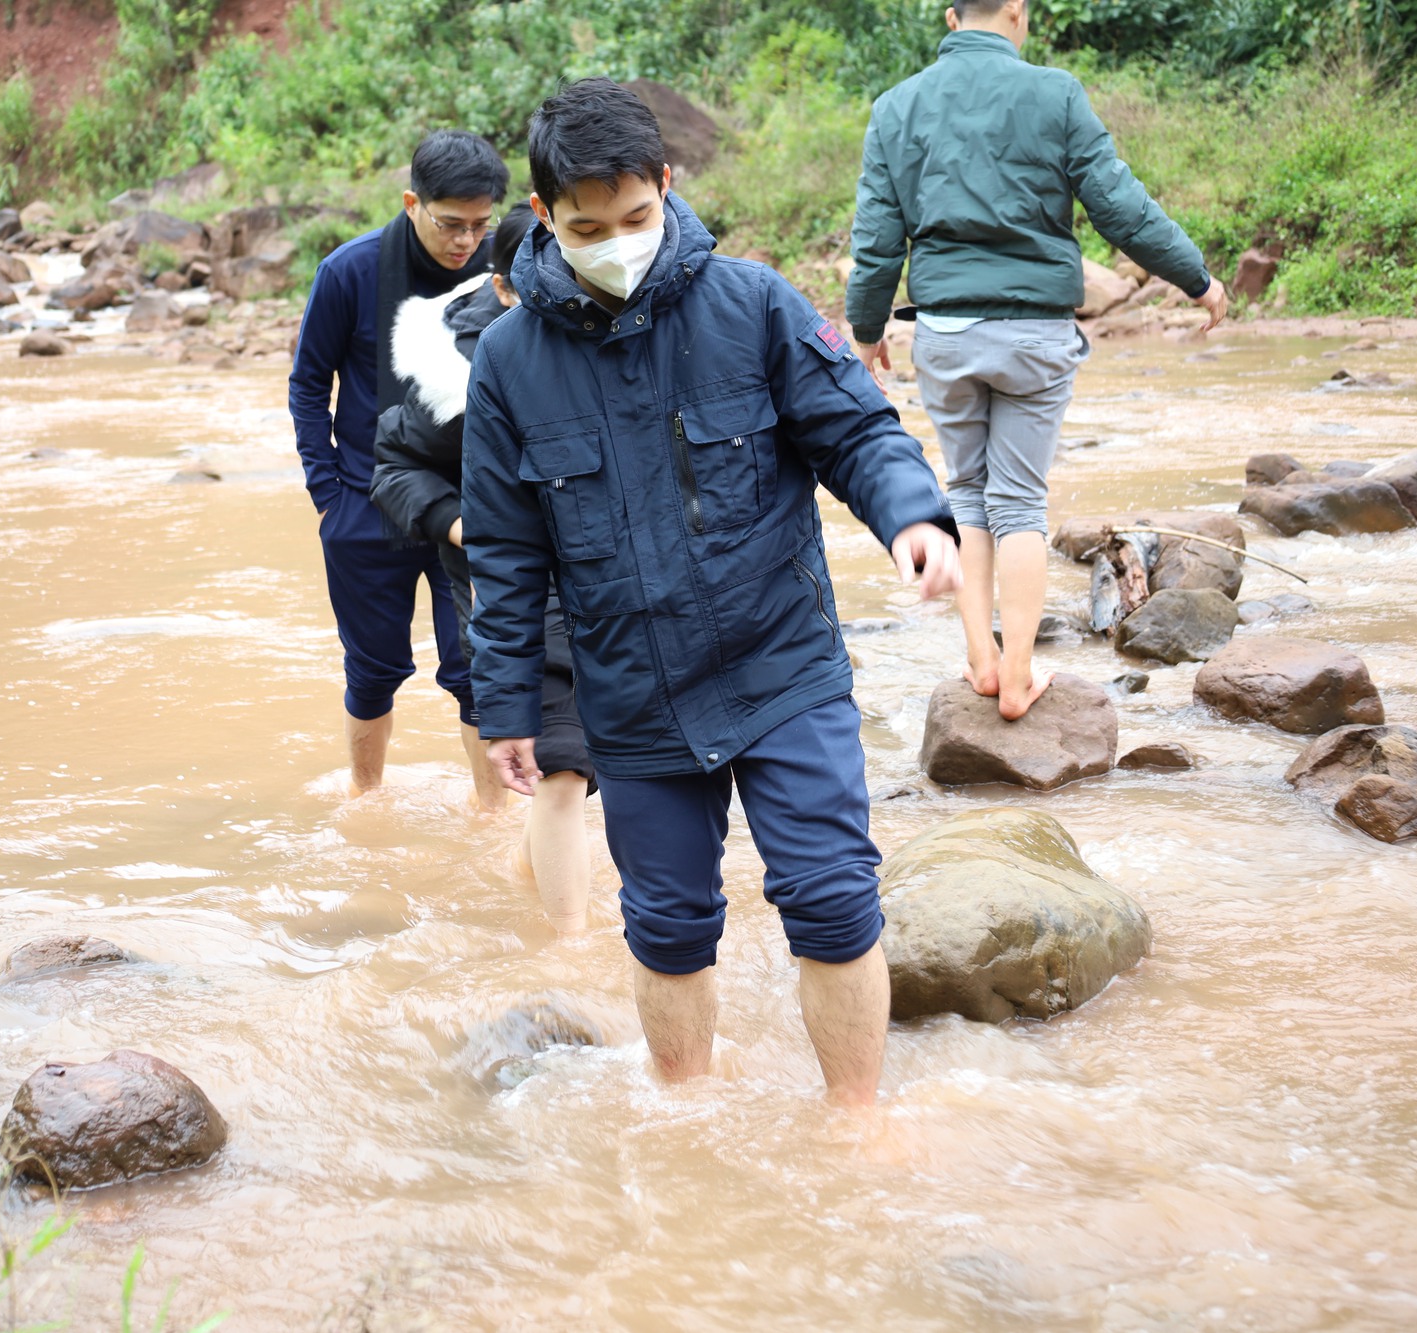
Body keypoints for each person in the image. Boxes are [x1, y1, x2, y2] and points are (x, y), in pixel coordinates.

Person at [461, 79, 962, 1105]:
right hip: (632, 695)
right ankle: (684, 1118)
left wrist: (912, 515)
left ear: (667, 187)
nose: (618, 241)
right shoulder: (509, 363)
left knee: (829, 899)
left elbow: (855, 429)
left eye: (636, 217)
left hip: (780, 663)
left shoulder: (753, 304)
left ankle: (856, 1124)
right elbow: (507, 554)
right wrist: (504, 704)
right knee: (669, 926)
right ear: (544, 216)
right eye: (588, 226)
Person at [848, 0, 1228, 720]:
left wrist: (867, 332)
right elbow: (1121, 208)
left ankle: (981, 662)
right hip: (1034, 333)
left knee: (966, 494)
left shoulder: (897, 107)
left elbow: (877, 241)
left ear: (951, 16)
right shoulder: (1055, 93)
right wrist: (1197, 278)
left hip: (946, 333)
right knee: (1019, 501)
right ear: (1017, 12)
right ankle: (1020, 675)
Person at [369, 204, 595, 933]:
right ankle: (569, 948)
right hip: (506, 577)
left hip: (599, 568)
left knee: (599, 753)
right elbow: (393, 465)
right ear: (503, 287)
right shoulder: (456, 376)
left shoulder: (612, 329)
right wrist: (459, 522)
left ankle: (527, 867)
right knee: (561, 759)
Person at [289, 130, 510, 797]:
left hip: (471, 508)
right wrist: (327, 491)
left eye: (480, 225)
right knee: (372, 668)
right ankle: (366, 798)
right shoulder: (349, 272)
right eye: (450, 224)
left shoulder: (502, 275)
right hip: (365, 502)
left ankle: (490, 818)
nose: (465, 241)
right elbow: (307, 383)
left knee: (481, 667)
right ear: (413, 202)